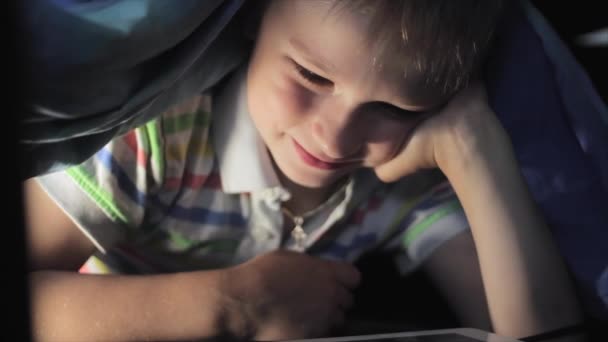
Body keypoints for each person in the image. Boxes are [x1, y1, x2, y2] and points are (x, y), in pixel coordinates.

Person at [24, 1, 585, 341]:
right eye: (312, 77)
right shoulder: (153, 142)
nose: (335, 138)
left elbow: (541, 335)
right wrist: (234, 305)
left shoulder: (404, 178)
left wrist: (474, 146)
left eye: (395, 108)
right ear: (254, 24)